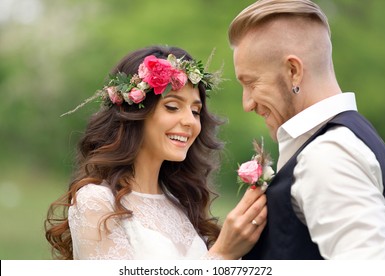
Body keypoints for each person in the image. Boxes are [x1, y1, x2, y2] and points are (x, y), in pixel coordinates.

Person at [45, 45, 267, 260]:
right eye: (172, 107)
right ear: (133, 112)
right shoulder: (96, 202)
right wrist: (222, 255)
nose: (190, 121)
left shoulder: (180, 202)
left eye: (195, 111)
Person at [228, 0, 385, 259]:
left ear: (293, 71)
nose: (247, 103)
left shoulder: (328, 155)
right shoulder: (347, 138)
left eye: (251, 83)